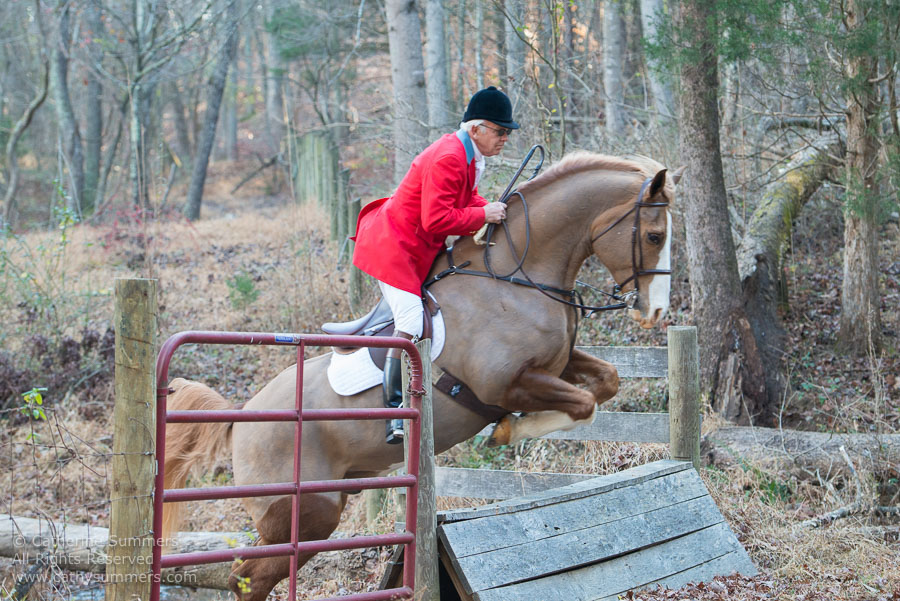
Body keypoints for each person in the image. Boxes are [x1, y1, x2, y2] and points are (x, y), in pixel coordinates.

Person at [352, 86, 519, 444]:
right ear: (476, 129)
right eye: (500, 131)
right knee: (411, 320)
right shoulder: (449, 156)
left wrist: (486, 209)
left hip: (418, 248)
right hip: (394, 249)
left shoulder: (468, 153)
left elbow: (467, 198)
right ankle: (394, 412)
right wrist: (481, 214)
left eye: (507, 132)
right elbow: (436, 219)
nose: (505, 138)